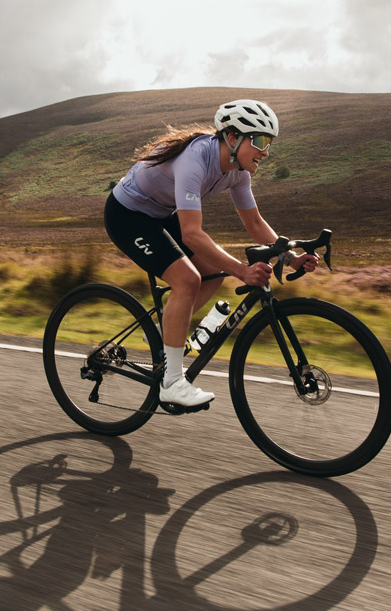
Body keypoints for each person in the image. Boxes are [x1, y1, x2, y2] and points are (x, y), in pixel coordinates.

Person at [104, 100, 319, 407]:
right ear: (232, 137)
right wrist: (242, 271)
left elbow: (255, 223)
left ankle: (166, 332)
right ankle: (172, 384)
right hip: (127, 214)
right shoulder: (195, 159)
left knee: (213, 274)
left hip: (161, 213)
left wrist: (290, 257)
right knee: (188, 280)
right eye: (259, 140)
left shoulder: (238, 172)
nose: (266, 151)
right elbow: (192, 233)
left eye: (268, 142)